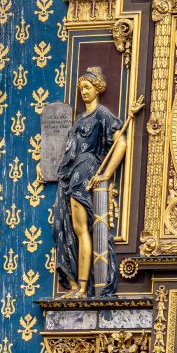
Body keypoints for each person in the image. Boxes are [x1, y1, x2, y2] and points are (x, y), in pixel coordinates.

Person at [52, 67, 126, 298]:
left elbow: (121, 143)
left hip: (85, 170)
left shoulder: (102, 114)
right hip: (70, 173)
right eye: (81, 88)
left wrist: (106, 174)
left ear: (98, 89)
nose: (83, 92)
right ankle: (75, 284)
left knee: (81, 228)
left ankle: (83, 288)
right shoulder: (79, 118)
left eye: (88, 87)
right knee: (68, 227)